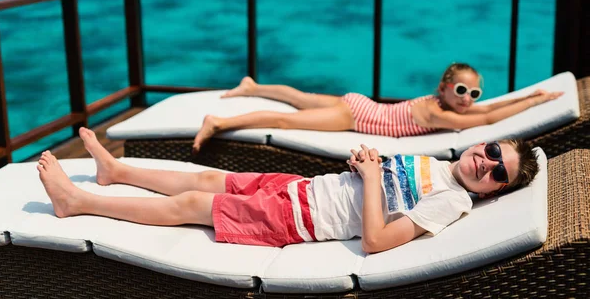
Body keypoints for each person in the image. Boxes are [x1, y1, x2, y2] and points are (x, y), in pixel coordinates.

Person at [38, 127, 538, 253]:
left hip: (297, 220)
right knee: (207, 178)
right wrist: (369, 164)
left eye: (499, 174)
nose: (488, 164)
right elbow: (386, 185)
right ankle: (116, 172)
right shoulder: (440, 165)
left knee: (193, 205)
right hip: (301, 189)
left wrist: (366, 179)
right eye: (494, 151)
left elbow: (377, 241)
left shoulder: (453, 201)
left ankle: (77, 202)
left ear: (494, 193)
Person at [191, 63, 563, 153]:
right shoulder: (440, 114)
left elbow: (491, 107)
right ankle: (219, 121)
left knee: (298, 97)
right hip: (355, 116)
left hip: (359, 103)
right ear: (444, 89)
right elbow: (490, 116)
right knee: (284, 120)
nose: (468, 99)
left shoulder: (446, 105)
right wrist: (532, 100)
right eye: (462, 90)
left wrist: (529, 97)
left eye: (475, 93)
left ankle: (252, 86)